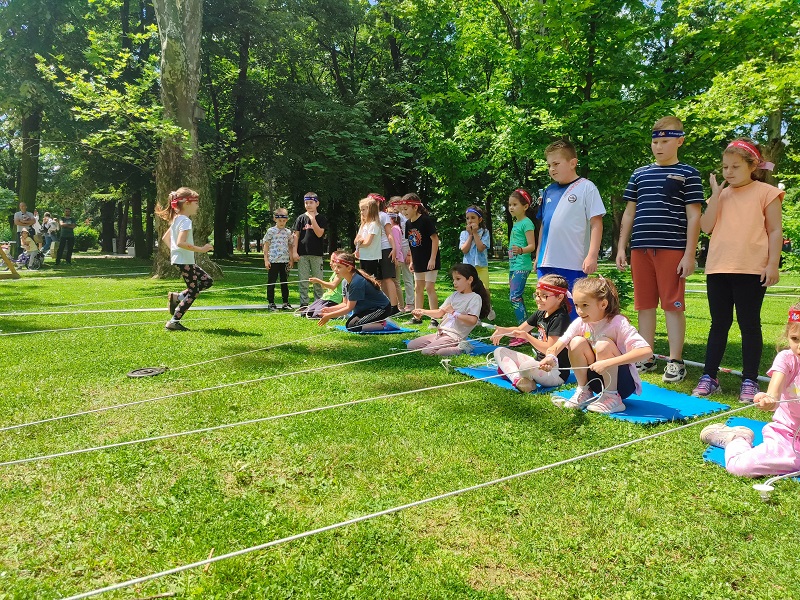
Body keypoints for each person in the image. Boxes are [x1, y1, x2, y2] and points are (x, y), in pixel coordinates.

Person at [691, 138, 784, 401]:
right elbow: (706, 227)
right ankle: (709, 376)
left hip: (752, 269)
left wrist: (772, 264)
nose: (728, 172)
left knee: (749, 324)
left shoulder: (767, 192)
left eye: (735, 167)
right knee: (718, 324)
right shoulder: (721, 194)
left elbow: (775, 230)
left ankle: (750, 380)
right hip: (718, 268)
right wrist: (715, 197)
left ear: (752, 166)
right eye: (724, 167)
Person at [615, 116, 704, 384]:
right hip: (640, 248)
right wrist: (622, 247)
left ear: (680, 141)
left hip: (672, 248)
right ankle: (646, 355)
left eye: (665, 141)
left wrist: (690, 254)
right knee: (644, 305)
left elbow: (694, 216)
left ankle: (676, 361)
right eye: (655, 141)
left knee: (672, 305)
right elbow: (629, 213)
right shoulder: (639, 173)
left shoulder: (689, 174)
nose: (658, 146)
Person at [700, 304, 800, 477]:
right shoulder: (787, 360)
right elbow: (773, 394)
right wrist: (768, 399)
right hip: (788, 436)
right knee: (741, 467)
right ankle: (737, 438)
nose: (799, 346)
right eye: (795, 339)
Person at [540, 276, 652, 414]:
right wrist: (551, 356)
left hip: (621, 384)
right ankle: (584, 391)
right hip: (595, 382)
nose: (579, 311)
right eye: (576, 305)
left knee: (603, 344)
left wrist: (608, 363)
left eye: (585, 305)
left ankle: (612, 398)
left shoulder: (618, 323)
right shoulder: (580, 322)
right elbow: (559, 344)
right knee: (575, 342)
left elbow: (646, 351)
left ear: (603, 304)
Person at [536, 139, 605, 302]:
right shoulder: (549, 191)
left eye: (556, 164)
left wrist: (592, 255)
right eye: (549, 165)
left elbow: (596, 223)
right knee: (546, 305)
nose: (552, 169)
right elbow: (544, 225)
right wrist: (538, 255)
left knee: (573, 305)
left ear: (573, 163)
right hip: (546, 262)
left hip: (574, 262)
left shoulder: (587, 187)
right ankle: (548, 329)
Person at [490, 275, 572, 392]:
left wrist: (527, 337)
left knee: (525, 367)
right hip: (538, 364)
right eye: (537, 294)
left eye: (544, 296)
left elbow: (549, 349)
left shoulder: (560, 318)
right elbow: (520, 330)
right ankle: (519, 380)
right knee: (499, 351)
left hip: (554, 372)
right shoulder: (541, 312)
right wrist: (504, 330)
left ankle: (519, 377)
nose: (538, 299)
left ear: (559, 297)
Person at [157, 187, 214, 331]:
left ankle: (177, 297)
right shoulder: (185, 221)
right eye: (196, 203)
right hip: (184, 261)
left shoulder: (177, 219)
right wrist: (201, 249)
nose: (198, 206)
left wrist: (175, 252)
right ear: (187, 203)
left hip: (182, 260)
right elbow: (181, 242)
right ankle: (173, 322)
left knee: (207, 281)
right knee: (193, 291)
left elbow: (165, 238)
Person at [408, 263, 491, 356]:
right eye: (453, 279)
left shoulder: (475, 298)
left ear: (470, 280)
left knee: (428, 352)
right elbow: (439, 313)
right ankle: (441, 345)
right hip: (441, 333)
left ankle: (462, 348)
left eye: (458, 279)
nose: (454, 282)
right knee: (411, 346)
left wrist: (454, 313)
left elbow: (472, 320)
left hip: (454, 336)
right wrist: (422, 311)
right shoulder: (454, 295)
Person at [394, 193, 440, 327]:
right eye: (401, 209)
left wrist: (432, 259)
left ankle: (434, 318)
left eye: (406, 209)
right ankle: (417, 317)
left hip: (430, 259)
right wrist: (412, 260)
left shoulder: (425, 220)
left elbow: (435, 240)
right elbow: (411, 244)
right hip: (418, 260)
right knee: (418, 288)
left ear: (415, 207)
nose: (403, 212)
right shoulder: (408, 223)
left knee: (429, 287)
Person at [317, 252, 393, 332]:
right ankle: (378, 321)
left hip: (381, 309)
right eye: (335, 266)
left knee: (353, 326)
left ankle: (383, 324)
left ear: (349, 268)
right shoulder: (345, 281)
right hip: (367, 310)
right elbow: (345, 304)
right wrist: (330, 309)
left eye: (339, 267)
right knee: (351, 325)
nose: (335, 269)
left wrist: (329, 316)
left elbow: (349, 308)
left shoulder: (356, 282)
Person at [507, 188, 537, 345]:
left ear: (525, 206)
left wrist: (521, 250)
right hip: (513, 266)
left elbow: (532, 245)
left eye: (515, 204)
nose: (511, 207)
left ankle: (524, 333)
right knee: (513, 297)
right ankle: (524, 330)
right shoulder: (517, 222)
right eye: (510, 204)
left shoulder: (527, 223)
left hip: (522, 266)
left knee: (515, 297)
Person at [291, 191, 327, 309]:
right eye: (306, 203)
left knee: (317, 280)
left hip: (316, 254)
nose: (308, 205)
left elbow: (319, 233)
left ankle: (318, 304)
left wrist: (312, 219)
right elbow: (296, 235)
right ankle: (304, 304)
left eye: (311, 202)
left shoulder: (321, 218)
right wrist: (294, 252)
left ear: (317, 203)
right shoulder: (301, 218)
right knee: (303, 280)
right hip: (303, 254)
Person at [371, 193, 400, 314]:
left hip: (385, 249)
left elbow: (389, 233)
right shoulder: (368, 216)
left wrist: (394, 249)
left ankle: (394, 307)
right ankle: (383, 304)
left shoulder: (383, 216)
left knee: (388, 278)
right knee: (378, 279)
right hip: (373, 250)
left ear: (378, 203)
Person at [263, 207, 294, 310]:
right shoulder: (271, 231)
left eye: (284, 221)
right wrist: (266, 260)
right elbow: (266, 245)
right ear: (275, 219)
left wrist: (291, 259)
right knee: (272, 281)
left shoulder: (288, 232)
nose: (282, 223)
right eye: (280, 220)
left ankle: (285, 302)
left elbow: (290, 246)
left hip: (284, 261)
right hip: (273, 260)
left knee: (284, 282)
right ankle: (271, 302)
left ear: (287, 220)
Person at [387, 201, 414, 311]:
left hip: (406, 248)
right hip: (397, 250)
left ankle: (410, 303)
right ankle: (398, 304)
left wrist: (409, 253)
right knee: (396, 279)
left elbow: (411, 237)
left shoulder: (406, 219)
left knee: (407, 278)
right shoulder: (394, 221)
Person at [459, 205, 490, 289]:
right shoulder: (464, 234)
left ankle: (485, 302)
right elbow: (464, 250)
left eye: (473, 218)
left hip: (481, 267)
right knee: (468, 289)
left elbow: (481, 248)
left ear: (479, 220)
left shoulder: (485, 232)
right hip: (467, 268)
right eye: (467, 218)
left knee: (484, 289)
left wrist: (475, 233)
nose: (470, 221)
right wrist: (470, 235)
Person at [306, 252, 345, 319]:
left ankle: (336, 314)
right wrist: (321, 283)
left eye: (333, 261)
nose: (330, 263)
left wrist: (318, 281)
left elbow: (333, 285)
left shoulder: (340, 273)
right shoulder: (334, 273)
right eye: (330, 260)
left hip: (333, 300)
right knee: (306, 313)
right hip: (325, 298)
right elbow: (327, 286)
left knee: (317, 316)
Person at [354, 196, 382, 278]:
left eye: (363, 210)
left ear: (371, 210)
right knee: (363, 279)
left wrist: (359, 243)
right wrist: (359, 242)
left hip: (371, 257)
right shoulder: (363, 225)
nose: (361, 212)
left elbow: (367, 242)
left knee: (371, 280)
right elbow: (356, 240)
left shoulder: (374, 225)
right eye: (360, 210)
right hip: (363, 256)